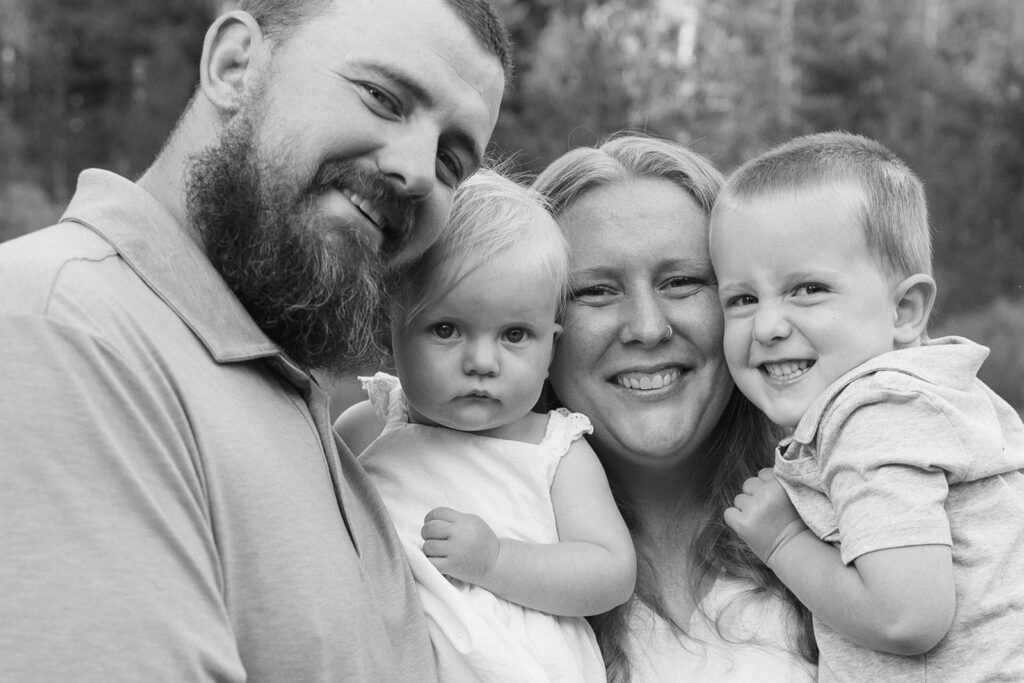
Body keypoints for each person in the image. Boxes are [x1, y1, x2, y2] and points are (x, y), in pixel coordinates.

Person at [0, 1, 509, 680]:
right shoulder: (62, 329)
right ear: (234, 65)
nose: (417, 170)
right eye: (384, 97)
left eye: (451, 161)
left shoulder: (313, 410)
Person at [712, 131, 1024, 681]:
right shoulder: (943, 397)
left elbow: (906, 616)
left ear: (905, 310)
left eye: (807, 289)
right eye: (742, 299)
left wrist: (784, 541)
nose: (767, 326)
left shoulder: (873, 414)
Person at [531, 134, 818, 683]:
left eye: (682, 282)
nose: (647, 327)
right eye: (595, 291)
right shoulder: (482, 536)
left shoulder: (858, 507)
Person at [336, 168, 636, 682]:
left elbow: (610, 572)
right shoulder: (369, 425)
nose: (482, 361)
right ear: (391, 332)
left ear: (551, 349)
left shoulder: (553, 449)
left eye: (515, 334)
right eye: (446, 329)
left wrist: (495, 561)